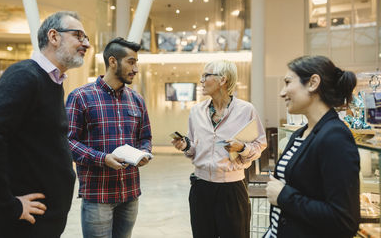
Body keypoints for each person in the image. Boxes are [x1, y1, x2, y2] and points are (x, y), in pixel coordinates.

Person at [0, 11, 91, 237]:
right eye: (79, 36)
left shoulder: (52, 81)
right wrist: (6, 204)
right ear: (54, 37)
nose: (86, 44)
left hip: (43, 221)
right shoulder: (25, 75)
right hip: (24, 224)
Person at [66, 37, 152, 238]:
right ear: (113, 61)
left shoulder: (137, 100)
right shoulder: (80, 97)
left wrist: (145, 152)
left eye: (136, 62)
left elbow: (145, 136)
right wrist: (102, 158)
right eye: (131, 62)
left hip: (130, 193)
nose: (136, 68)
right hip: (98, 195)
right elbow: (67, 142)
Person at [264, 55, 359, 237]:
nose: (282, 93)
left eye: (287, 82)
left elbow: (344, 220)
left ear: (313, 83)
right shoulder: (301, 133)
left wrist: (284, 196)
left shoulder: (335, 137)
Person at [172, 60, 267, 238]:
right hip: (201, 188)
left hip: (232, 189)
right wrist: (186, 146)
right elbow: (193, 147)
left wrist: (243, 148)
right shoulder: (196, 111)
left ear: (222, 80)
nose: (201, 81)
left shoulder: (246, 110)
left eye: (206, 76)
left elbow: (260, 144)